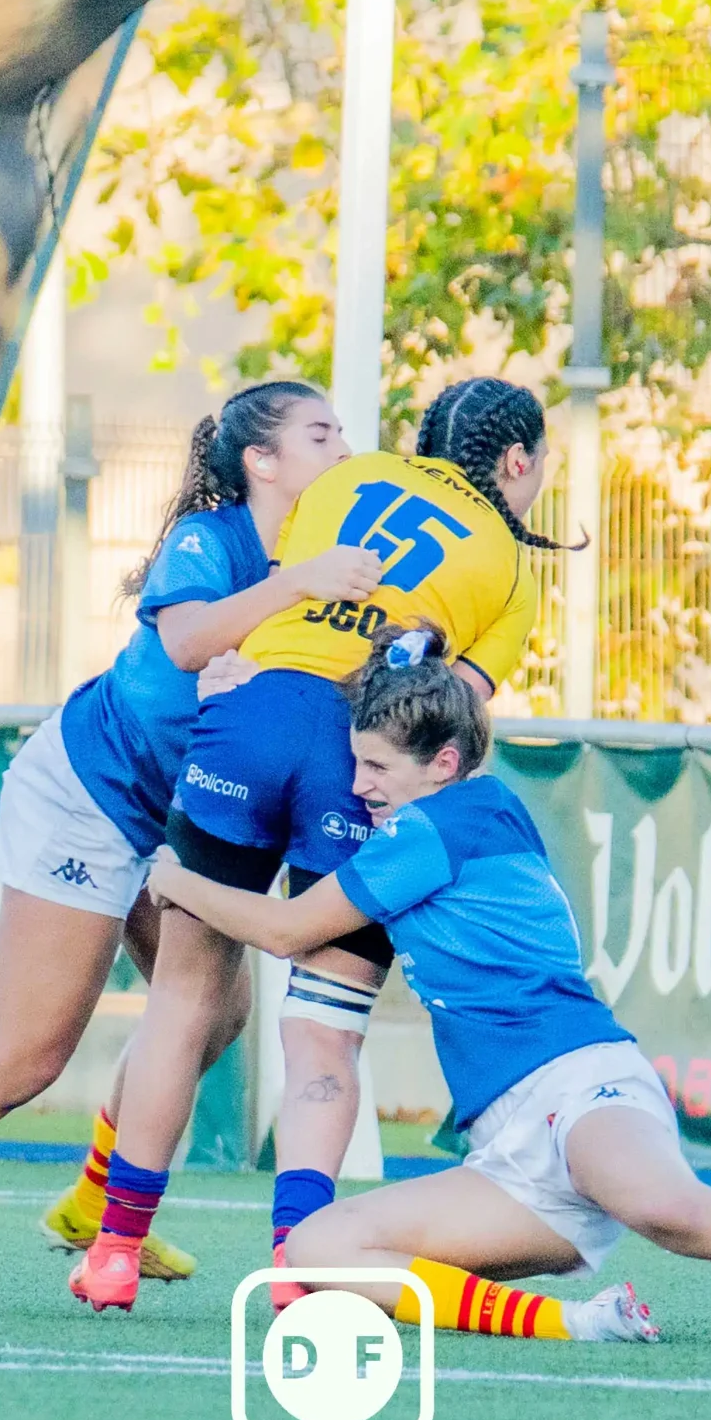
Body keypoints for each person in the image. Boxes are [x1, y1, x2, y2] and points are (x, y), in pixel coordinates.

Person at [140, 624, 711, 1354]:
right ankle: (579, 1322)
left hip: (581, 1085)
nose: (358, 786)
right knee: (317, 1252)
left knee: (668, 1207)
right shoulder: (470, 806)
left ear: (442, 762)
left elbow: (289, 932)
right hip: (505, 1147)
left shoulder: (434, 827)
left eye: (373, 767)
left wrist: (179, 877)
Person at [0, 382, 377, 1309]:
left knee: (215, 1013)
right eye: (321, 433)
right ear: (262, 461)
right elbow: (188, 640)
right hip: (89, 797)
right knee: (22, 1056)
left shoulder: (333, 563)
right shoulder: (213, 538)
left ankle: (97, 1204)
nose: (345, 446)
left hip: (170, 819)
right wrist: (295, 585)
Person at [69, 378, 561, 1316]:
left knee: (182, 995)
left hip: (248, 722)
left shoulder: (351, 476)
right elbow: (436, 716)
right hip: (359, 758)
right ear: (516, 462)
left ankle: (116, 1253)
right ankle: (298, 1267)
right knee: (326, 1032)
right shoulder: (510, 569)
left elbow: (280, 603)